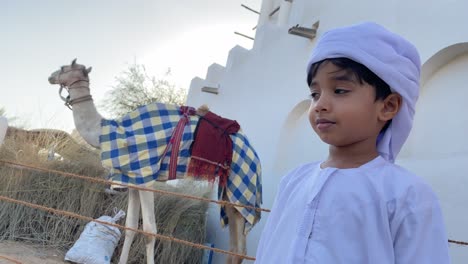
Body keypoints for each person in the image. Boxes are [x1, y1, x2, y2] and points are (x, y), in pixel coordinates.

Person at [255, 22, 450, 263]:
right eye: (315, 94)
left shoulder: (407, 195)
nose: (320, 104)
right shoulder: (293, 181)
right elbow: (267, 251)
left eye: (339, 90)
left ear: (388, 106)